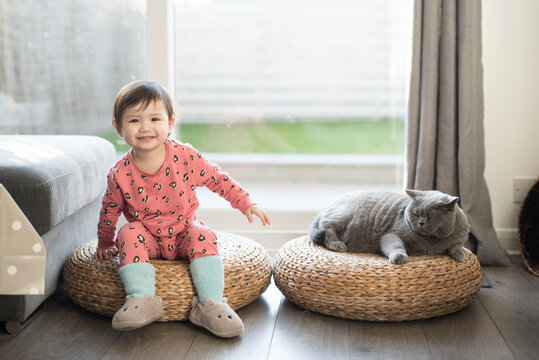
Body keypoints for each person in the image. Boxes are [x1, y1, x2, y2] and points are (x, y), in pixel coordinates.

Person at [94, 80, 270, 338]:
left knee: (203, 234)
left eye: (155, 119)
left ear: (170, 123)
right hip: (148, 238)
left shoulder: (185, 156)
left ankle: (211, 305)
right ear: (118, 127)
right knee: (128, 232)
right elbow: (109, 210)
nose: (145, 128)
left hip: (183, 232)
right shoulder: (119, 172)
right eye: (134, 121)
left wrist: (245, 202)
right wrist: (104, 242)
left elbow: (217, 178)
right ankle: (142, 299)